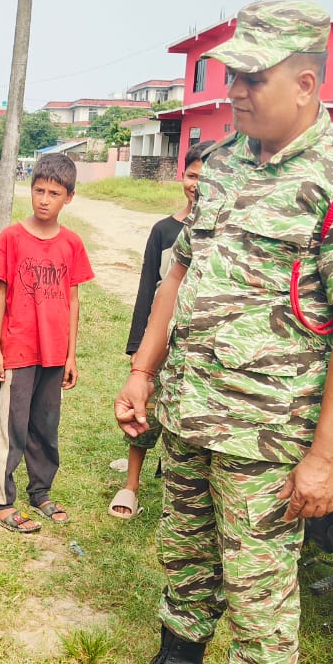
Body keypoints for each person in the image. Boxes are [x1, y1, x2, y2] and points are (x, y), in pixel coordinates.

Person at [96, 1, 333, 664]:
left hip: (270, 434)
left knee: (260, 577)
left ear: (305, 84)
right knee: (186, 551)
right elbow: (180, 270)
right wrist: (142, 372)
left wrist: (326, 456)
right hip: (194, 409)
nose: (233, 89)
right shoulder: (225, 164)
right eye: (230, 74)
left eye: (250, 77)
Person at [0, 152, 95, 533]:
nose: (44, 199)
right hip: (18, 350)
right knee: (11, 426)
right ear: (30, 190)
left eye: (54, 193)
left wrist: (71, 355)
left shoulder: (72, 244)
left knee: (45, 426)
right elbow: (0, 293)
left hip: (54, 353)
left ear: (69, 198)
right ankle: (0, 500)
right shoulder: (12, 238)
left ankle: (41, 492)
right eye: (38, 190)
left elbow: (73, 300)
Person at [109, 141, 211, 519]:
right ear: (181, 176)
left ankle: (180, 491)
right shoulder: (164, 230)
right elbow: (147, 289)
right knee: (144, 411)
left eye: (205, 178)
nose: (196, 185)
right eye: (192, 175)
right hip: (161, 338)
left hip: (200, 344)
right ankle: (131, 484)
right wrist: (138, 349)